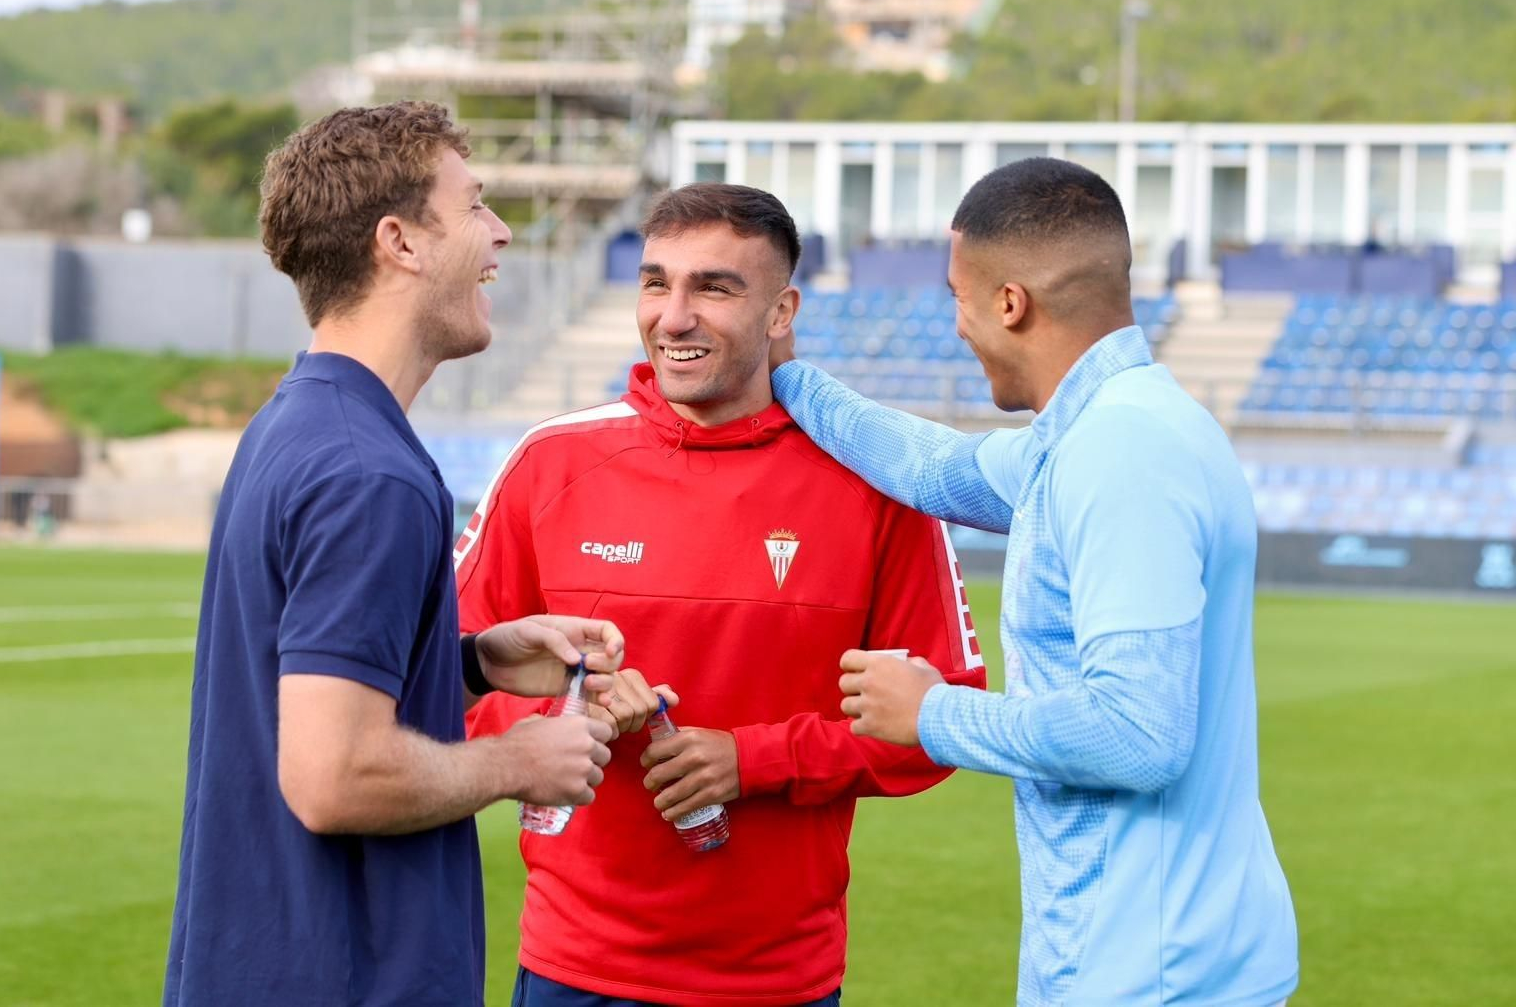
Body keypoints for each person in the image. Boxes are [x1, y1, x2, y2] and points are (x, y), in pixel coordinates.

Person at [771, 157, 1299, 1006]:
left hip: (1148, 972)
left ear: (1009, 303)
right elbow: (939, 469)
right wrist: (788, 377)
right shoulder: (1119, 427)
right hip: (1173, 955)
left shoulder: (1123, 452)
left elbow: (1139, 733)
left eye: (958, 297)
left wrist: (931, 712)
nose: (957, 326)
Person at [454, 183, 989, 1006]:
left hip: (778, 980)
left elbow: (942, 720)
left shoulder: (877, 488)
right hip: (576, 966)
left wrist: (755, 760)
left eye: (714, 287)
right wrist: (568, 720)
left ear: (782, 313)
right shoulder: (548, 465)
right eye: (656, 282)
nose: (674, 316)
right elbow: (439, 676)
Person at [163, 101, 621, 1006]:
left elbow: (313, 700)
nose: (501, 231)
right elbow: (333, 776)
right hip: (340, 978)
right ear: (400, 242)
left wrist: (472, 667)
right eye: (476, 204)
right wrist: (520, 763)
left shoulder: (299, 424)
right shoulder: (370, 472)